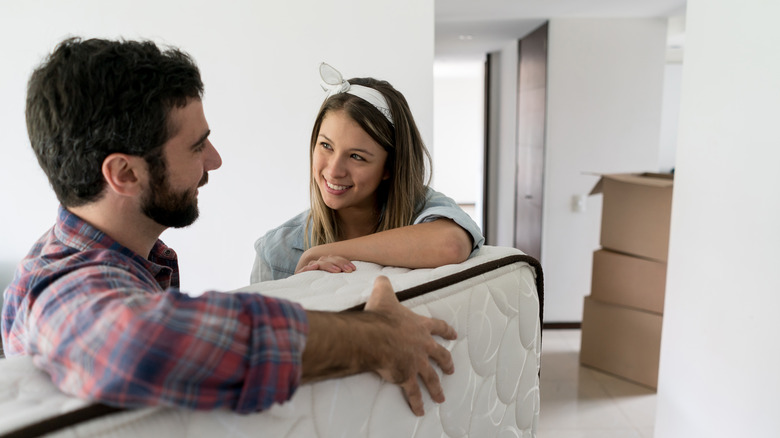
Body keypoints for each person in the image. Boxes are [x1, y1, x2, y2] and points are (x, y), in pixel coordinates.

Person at [0, 37, 456, 417]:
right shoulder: (58, 283)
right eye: (197, 146)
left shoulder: (135, 262)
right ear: (125, 174)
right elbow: (138, 344)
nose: (215, 160)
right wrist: (375, 339)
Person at [251, 63, 485, 282]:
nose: (333, 170)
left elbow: (451, 245)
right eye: (326, 146)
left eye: (356, 157)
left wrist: (320, 253)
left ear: (389, 168)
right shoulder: (275, 252)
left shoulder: (425, 211)